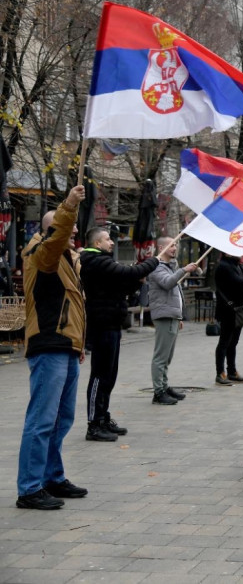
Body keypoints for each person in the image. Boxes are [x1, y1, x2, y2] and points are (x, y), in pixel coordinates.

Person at [16, 186, 89, 510]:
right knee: (42, 420)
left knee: (62, 419)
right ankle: (29, 488)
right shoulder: (40, 253)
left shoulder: (63, 258)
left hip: (66, 347)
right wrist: (70, 204)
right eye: (68, 226)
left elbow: (72, 306)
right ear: (51, 230)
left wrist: (79, 344)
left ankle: (51, 477)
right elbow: (55, 239)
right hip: (48, 346)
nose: (74, 231)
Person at [79, 226, 161, 441]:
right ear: (97, 243)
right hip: (102, 324)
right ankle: (93, 424)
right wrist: (152, 262)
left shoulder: (105, 262)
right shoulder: (95, 260)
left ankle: (103, 417)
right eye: (107, 239)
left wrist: (136, 281)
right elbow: (129, 272)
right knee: (100, 374)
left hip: (113, 323)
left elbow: (120, 286)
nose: (112, 242)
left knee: (110, 374)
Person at [148, 237, 199, 406]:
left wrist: (178, 316)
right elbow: (168, 283)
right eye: (171, 245)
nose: (174, 247)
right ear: (161, 247)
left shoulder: (170, 267)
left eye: (176, 244)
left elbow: (176, 294)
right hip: (164, 316)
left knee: (167, 357)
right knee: (161, 356)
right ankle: (158, 392)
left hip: (171, 316)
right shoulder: (156, 266)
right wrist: (184, 269)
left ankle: (164, 385)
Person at [213, 253, 243, 386]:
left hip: (238, 309)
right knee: (225, 342)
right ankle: (220, 373)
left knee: (233, 342)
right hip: (228, 309)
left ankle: (231, 371)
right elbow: (239, 282)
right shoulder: (224, 266)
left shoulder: (236, 264)